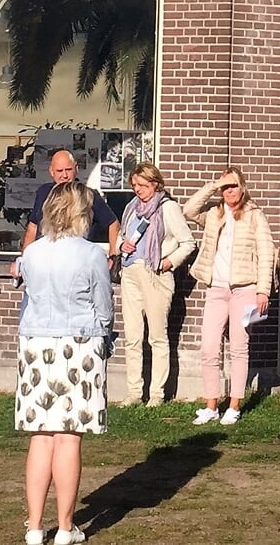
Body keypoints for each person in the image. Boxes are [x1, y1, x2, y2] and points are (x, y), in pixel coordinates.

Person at [16, 181, 115, 545]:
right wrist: (105, 334)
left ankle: (34, 526)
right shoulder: (90, 254)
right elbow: (103, 305)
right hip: (79, 342)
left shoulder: (32, 253)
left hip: (36, 343)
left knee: (40, 438)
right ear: (81, 213)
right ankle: (65, 527)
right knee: (68, 438)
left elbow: (28, 297)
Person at [186, 167, 276, 426]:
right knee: (209, 347)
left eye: (233, 186)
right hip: (216, 288)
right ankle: (211, 404)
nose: (229, 192)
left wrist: (263, 290)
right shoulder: (214, 214)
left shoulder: (254, 215)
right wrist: (213, 185)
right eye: (225, 188)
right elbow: (189, 210)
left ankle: (234, 404)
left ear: (243, 187)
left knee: (238, 347)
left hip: (244, 288)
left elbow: (266, 252)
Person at [115, 161, 194, 405]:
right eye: (135, 185)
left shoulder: (168, 208)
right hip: (130, 272)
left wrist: (168, 262)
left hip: (155, 275)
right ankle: (134, 392)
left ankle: (157, 393)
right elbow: (120, 236)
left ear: (155, 184)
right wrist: (121, 245)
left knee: (157, 336)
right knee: (133, 335)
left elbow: (188, 242)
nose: (138, 190)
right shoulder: (131, 207)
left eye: (143, 185)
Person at [20, 150, 119, 251]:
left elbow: (113, 223)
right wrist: (24, 259)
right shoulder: (43, 192)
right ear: (51, 171)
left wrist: (113, 254)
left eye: (68, 169)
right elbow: (33, 227)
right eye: (59, 171)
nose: (65, 175)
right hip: (44, 255)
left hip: (76, 256)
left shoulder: (88, 195)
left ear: (76, 169)